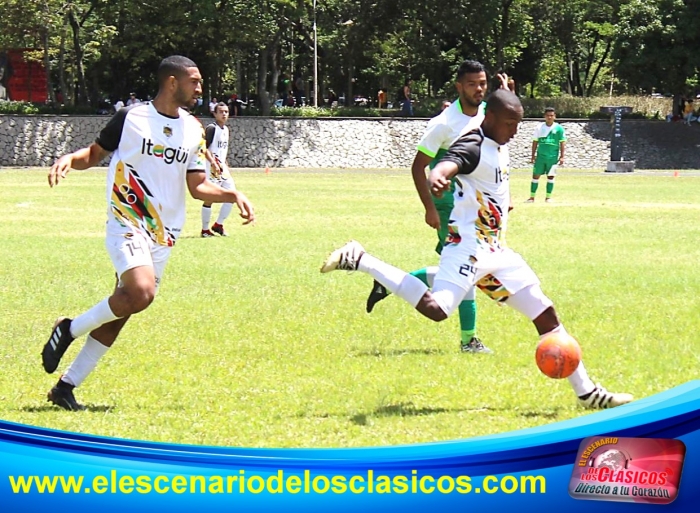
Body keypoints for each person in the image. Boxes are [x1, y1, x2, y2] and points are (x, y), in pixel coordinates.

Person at [321, 89, 633, 410]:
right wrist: (437, 177)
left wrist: (502, 202)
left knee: (545, 314)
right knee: (438, 310)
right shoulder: (472, 144)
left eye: (518, 124)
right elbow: (447, 164)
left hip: (497, 252)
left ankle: (587, 393)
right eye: (510, 124)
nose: (515, 131)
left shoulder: (500, 142)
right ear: (491, 117)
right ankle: (360, 259)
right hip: (467, 248)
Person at [42, 55, 255, 411]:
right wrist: (69, 159)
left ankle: (65, 387)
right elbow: (94, 154)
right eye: (194, 81)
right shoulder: (131, 117)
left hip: (164, 232)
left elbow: (197, 186)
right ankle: (69, 328)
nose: (199, 88)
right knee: (142, 293)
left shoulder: (194, 129)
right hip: (127, 220)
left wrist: (232, 194)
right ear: (172, 82)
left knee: (123, 308)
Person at [367, 60, 507, 354]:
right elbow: (418, 167)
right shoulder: (444, 123)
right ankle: (469, 340)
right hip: (450, 209)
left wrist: (502, 198)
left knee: (468, 268)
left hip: (479, 208)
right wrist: (429, 208)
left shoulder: (487, 115)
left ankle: (392, 282)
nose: (479, 89)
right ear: (459, 86)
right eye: (472, 84)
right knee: (467, 268)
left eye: (482, 83)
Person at [201, 102, 236, 237]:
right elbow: (204, 148)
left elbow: (221, 150)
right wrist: (212, 163)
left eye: (226, 112)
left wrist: (224, 164)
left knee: (232, 194)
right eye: (221, 112)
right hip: (211, 169)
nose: (224, 114)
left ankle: (218, 225)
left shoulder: (226, 129)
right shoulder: (212, 128)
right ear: (214, 114)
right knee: (210, 198)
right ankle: (205, 229)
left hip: (222, 169)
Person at [527, 107, 565, 203]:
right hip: (540, 157)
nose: (549, 117)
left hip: (553, 157)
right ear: (544, 116)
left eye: (551, 115)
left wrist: (562, 156)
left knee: (551, 176)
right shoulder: (539, 127)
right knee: (535, 176)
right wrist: (532, 155)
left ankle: (548, 197)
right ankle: (532, 197)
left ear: (555, 116)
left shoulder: (559, 128)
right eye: (548, 115)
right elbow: (535, 141)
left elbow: (562, 142)